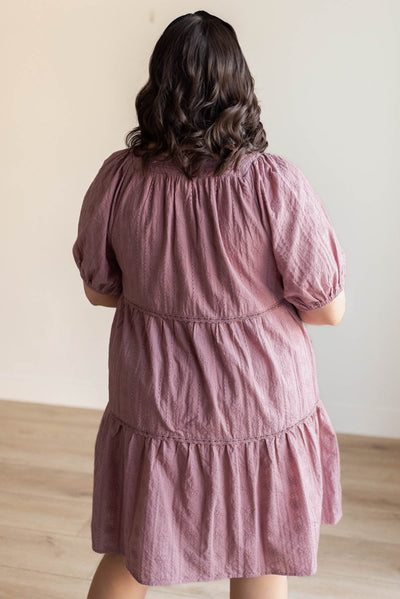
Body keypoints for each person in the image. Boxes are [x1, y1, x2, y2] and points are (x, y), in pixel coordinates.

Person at [72, 10, 346, 599]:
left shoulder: (121, 179)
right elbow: (328, 309)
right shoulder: (273, 183)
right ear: (238, 85)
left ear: (158, 85)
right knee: (261, 546)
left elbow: (99, 290)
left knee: (131, 551)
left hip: (158, 400)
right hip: (259, 401)